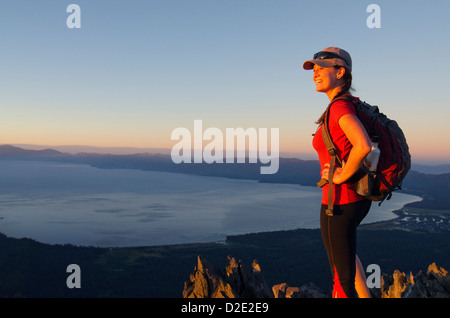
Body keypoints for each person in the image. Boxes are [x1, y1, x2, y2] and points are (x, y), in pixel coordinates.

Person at [303, 47, 372, 298]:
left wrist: (340, 176)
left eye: (322, 68)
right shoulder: (346, 105)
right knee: (348, 259)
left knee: (341, 279)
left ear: (340, 72)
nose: (315, 73)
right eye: (314, 69)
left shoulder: (340, 108)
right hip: (352, 199)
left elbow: (363, 145)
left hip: (339, 202)